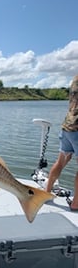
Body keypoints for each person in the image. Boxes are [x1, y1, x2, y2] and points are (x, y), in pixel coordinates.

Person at [45, 75, 78, 211]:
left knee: (60, 162)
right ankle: (76, 203)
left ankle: (46, 193)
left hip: (67, 127)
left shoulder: (75, 78)